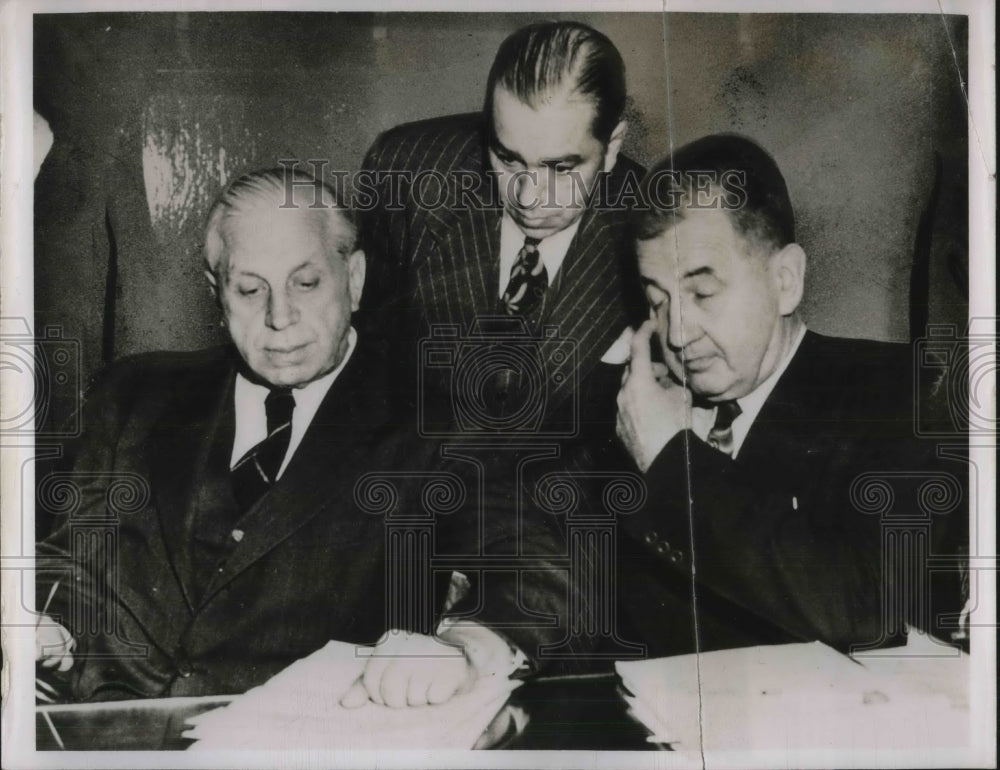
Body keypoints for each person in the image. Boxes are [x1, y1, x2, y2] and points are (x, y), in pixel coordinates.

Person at [34, 168, 567, 705]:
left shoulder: (437, 420)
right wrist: (47, 623)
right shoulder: (136, 394)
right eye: (249, 289)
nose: (279, 317)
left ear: (354, 279)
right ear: (215, 292)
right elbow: (64, 559)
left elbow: (538, 570)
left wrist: (467, 645)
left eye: (305, 283)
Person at [613, 134, 968, 656]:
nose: (677, 333)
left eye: (702, 294)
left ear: (786, 280)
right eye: (657, 301)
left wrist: (673, 463)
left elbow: (866, 606)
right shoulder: (647, 413)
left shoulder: (904, 390)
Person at [357, 20, 646, 447]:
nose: (528, 197)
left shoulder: (655, 229)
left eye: (561, 168)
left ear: (613, 146)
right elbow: (366, 369)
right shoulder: (406, 177)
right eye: (508, 159)